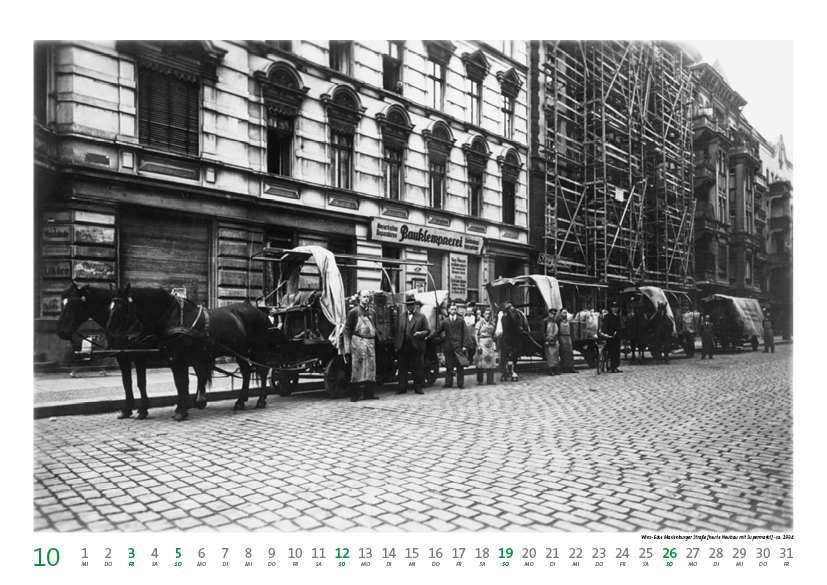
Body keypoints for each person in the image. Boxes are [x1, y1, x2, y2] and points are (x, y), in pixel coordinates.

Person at [344, 290, 380, 402]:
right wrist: (352, 342)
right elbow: (347, 328)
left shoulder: (372, 312)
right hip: (358, 341)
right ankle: (355, 395)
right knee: (357, 368)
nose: (366, 299)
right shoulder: (353, 312)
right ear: (359, 298)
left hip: (370, 342)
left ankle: (369, 393)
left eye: (368, 297)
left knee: (371, 368)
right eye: (364, 297)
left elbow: (375, 326)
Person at [395, 295, 431, 395]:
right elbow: (397, 332)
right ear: (406, 306)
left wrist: (420, 334)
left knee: (417, 368)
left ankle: (418, 388)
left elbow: (428, 331)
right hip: (403, 346)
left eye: (412, 305)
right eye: (408, 305)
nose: (410, 307)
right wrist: (397, 346)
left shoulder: (421, 317)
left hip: (416, 346)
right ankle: (402, 387)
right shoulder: (401, 316)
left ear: (415, 306)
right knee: (402, 368)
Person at [429, 302, 468, 389]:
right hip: (449, 346)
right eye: (452, 309)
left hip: (458, 346)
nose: (453, 311)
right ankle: (448, 383)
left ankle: (460, 383)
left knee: (460, 366)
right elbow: (437, 331)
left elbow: (465, 333)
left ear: (456, 310)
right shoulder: (445, 321)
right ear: (449, 310)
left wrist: (464, 345)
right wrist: (429, 337)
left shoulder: (461, 320)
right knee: (449, 366)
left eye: (455, 309)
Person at [475, 306, 498, 385]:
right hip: (482, 343)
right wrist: (478, 345)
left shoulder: (492, 324)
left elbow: (494, 334)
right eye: (486, 314)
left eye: (489, 314)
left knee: (490, 362)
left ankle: (490, 380)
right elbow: (475, 335)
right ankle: (480, 380)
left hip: (490, 343)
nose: (488, 315)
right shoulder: (479, 323)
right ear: (483, 314)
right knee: (481, 362)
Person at [601, 301, 623, 373]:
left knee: (617, 352)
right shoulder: (608, 316)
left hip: (617, 337)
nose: (615, 309)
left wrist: (618, 333)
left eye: (616, 307)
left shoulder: (618, 317)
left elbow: (620, 327)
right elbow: (604, 326)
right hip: (610, 337)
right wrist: (606, 334)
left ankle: (616, 366)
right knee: (612, 352)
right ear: (611, 308)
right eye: (614, 308)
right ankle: (612, 367)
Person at [556, 307, 578, 373]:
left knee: (570, 353)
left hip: (568, 337)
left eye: (566, 313)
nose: (565, 314)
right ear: (560, 313)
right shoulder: (558, 321)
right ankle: (564, 368)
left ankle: (571, 367)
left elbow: (571, 330)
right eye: (563, 313)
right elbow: (556, 331)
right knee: (564, 353)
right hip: (562, 337)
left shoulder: (568, 321)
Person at [542, 307, 560, 375]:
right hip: (548, 338)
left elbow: (557, 330)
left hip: (554, 339)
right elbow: (542, 332)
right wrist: (545, 340)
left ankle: (556, 368)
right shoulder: (545, 321)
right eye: (552, 313)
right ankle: (550, 370)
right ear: (549, 313)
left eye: (554, 314)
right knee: (550, 355)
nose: (553, 315)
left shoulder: (555, 321)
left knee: (556, 354)